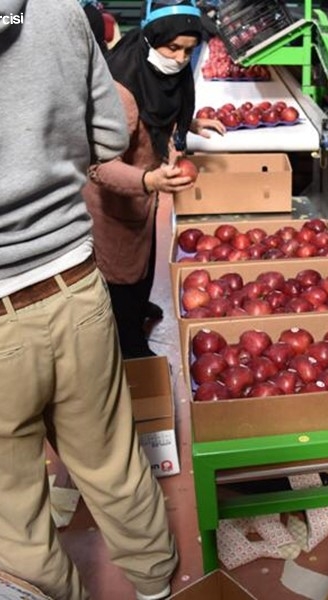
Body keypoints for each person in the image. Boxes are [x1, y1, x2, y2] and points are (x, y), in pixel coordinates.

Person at [0, 2, 178, 599]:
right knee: (114, 464)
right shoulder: (56, 9)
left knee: (14, 514)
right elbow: (108, 136)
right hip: (71, 288)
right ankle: (157, 587)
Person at [82, 0, 225, 359]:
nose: (179, 59)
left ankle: (136, 310)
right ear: (152, 38)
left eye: (188, 51)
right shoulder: (123, 92)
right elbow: (98, 166)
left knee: (143, 263)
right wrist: (148, 180)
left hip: (144, 190)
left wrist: (189, 123)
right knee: (120, 275)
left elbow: (156, 112)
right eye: (172, 48)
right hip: (116, 199)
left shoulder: (159, 74)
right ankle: (130, 344)